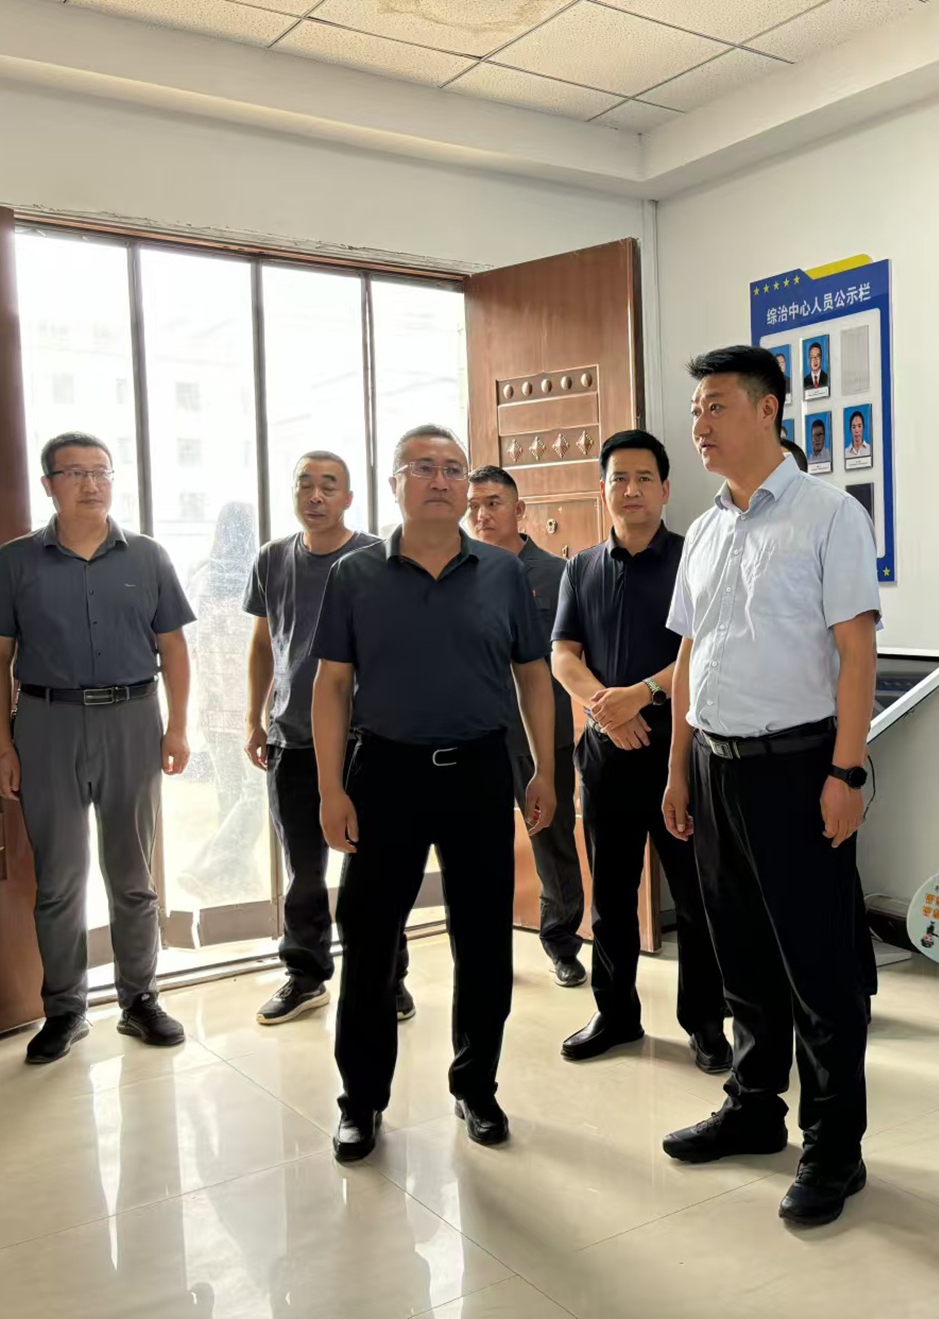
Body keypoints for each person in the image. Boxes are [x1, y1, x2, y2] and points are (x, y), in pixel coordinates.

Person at [660, 345, 881, 1227]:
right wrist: (678, 769)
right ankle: (754, 1107)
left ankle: (835, 1146)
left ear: (767, 410)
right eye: (696, 410)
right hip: (714, 765)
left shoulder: (830, 515)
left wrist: (846, 771)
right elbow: (690, 653)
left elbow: (857, 652)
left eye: (715, 406)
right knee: (742, 957)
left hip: (798, 768)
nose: (700, 424)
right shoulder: (706, 528)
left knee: (819, 970)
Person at [311, 424, 556, 1162]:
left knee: (482, 940)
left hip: (479, 770)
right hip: (384, 774)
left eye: (453, 468)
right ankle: (361, 1101)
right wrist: (329, 788)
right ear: (395, 484)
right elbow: (332, 685)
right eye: (422, 467)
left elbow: (533, 675)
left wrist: (543, 769)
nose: (441, 479)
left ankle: (476, 1085)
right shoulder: (354, 575)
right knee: (369, 942)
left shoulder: (502, 572)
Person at [0, 431, 194, 1063]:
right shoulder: (15, 561)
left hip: (133, 720)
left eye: (101, 472)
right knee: (60, 879)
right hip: (47, 724)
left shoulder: (148, 556)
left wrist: (178, 726)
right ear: (49, 485)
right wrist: (2, 744)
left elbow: (174, 648)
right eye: (75, 473)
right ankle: (65, 1009)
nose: (91, 484)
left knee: (133, 874)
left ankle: (139, 999)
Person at [551, 430, 729, 1073]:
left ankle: (705, 1023)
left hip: (679, 753)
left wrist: (641, 694)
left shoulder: (693, 558)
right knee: (611, 896)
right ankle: (616, 1014)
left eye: (644, 478)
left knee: (696, 896)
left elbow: (705, 650)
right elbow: (562, 655)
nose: (631, 490)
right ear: (603, 489)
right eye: (619, 478)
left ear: (665, 489)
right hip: (606, 755)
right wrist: (606, 708)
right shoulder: (581, 567)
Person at [243, 453, 386, 1026]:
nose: (316, 495)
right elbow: (264, 644)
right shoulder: (272, 558)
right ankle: (305, 977)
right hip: (292, 738)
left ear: (349, 497)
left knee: (373, 871)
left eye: (330, 486)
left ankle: (387, 978)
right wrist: (254, 718)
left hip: (365, 740)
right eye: (306, 484)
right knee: (303, 871)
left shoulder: (375, 557)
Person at [465, 465, 585, 988]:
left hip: (543, 736)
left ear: (519, 511)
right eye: (473, 506)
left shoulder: (558, 574)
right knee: (479, 847)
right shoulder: (459, 573)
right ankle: (486, 949)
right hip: (478, 735)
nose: (482, 514)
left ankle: (562, 943)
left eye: (493, 503)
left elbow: (575, 655)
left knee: (553, 842)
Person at [181, 500, 266, 906]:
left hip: (213, 705)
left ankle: (237, 885)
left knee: (229, 795)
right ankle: (209, 866)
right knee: (255, 795)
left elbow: (189, 640)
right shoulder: (258, 574)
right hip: (252, 708)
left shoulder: (200, 576)